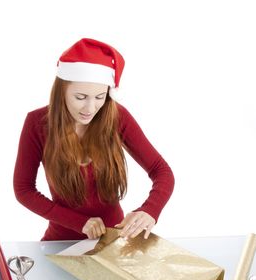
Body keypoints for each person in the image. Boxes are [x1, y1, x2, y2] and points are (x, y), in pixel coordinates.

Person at [13, 38, 174, 241]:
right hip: (60, 240)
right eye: (80, 97)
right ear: (61, 91)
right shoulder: (37, 123)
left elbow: (162, 171)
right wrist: (79, 222)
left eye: (100, 97)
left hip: (113, 239)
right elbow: (24, 190)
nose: (90, 109)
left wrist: (150, 210)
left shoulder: (117, 116)